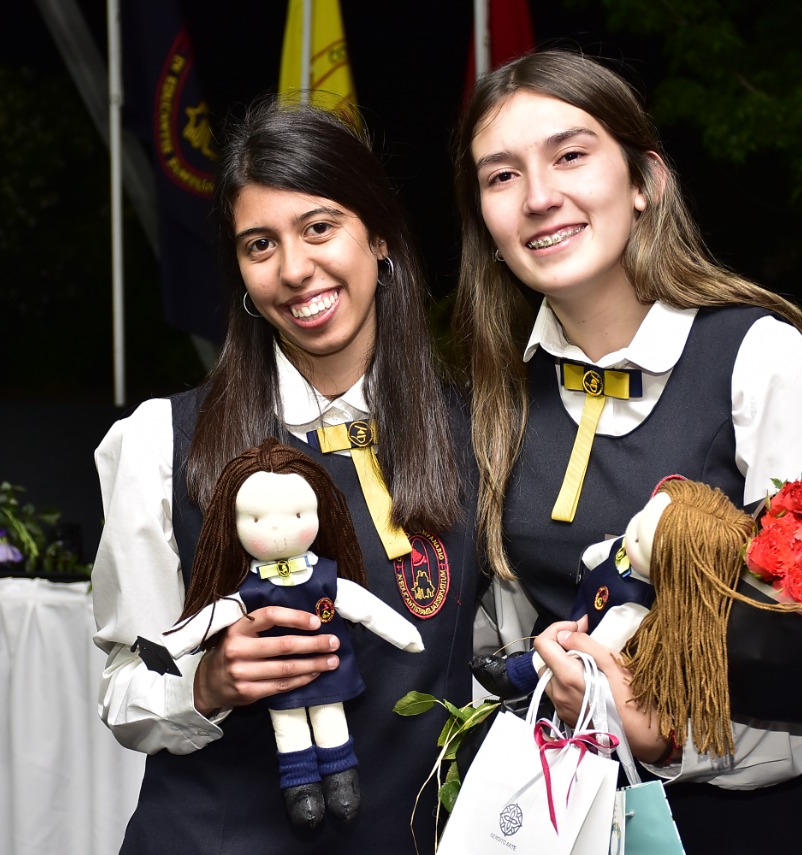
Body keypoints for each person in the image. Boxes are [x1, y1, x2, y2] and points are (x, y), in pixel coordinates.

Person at [452, 50, 802, 854]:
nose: (540, 197)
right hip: (552, 818)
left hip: (740, 827)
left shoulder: (764, 363)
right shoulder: (494, 397)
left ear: (646, 180)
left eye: (571, 154)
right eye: (501, 176)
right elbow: (493, 631)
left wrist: (668, 736)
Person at [92, 97, 482, 855]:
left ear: (378, 235)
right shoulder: (162, 440)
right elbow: (123, 688)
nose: (296, 270)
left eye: (320, 227)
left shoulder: (477, 434)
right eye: (259, 244)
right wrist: (205, 684)